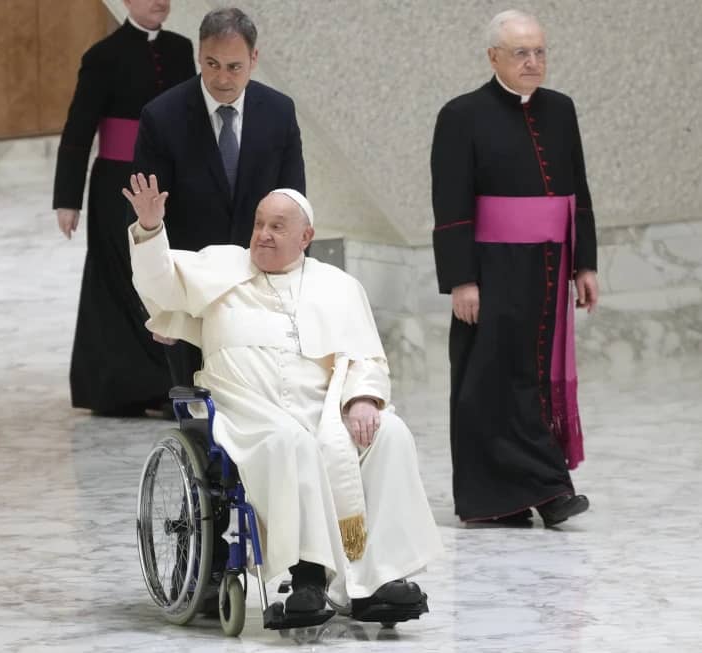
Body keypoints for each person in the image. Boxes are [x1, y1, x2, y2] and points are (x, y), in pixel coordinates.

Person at [124, 173, 442, 623]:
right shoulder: (222, 266)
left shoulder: (339, 286)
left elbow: (365, 356)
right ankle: (308, 576)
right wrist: (152, 228)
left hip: (325, 408)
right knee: (291, 442)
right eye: (259, 224)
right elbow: (159, 284)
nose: (263, 235)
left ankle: (378, 579)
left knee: (389, 432)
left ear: (306, 237)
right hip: (247, 409)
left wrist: (363, 400)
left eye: (277, 227)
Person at [430, 10, 598, 527]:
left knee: (533, 377)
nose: (533, 62)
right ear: (494, 57)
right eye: (521, 52)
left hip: (550, 266)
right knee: (490, 379)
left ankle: (540, 488)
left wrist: (585, 264)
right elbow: (450, 199)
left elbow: (578, 192)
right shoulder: (462, 114)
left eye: (540, 51)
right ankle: (513, 496)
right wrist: (462, 279)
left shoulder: (560, 109)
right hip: (492, 269)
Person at [132, 7, 306, 386]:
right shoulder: (162, 118)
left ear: (254, 59)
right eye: (212, 64)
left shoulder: (279, 112)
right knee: (199, 411)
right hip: (191, 293)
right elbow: (146, 220)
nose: (222, 78)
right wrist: (161, 306)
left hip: (261, 287)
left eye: (234, 66)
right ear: (199, 54)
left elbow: (295, 205)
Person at [53, 0, 195, 416]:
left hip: (169, 181)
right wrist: (67, 199)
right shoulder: (102, 57)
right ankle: (123, 389)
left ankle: (171, 383)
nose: (159, 2)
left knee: (166, 274)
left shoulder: (180, 49)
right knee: (121, 280)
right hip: (116, 184)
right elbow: (79, 128)